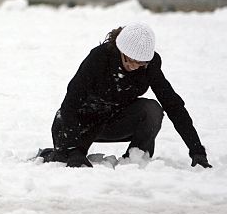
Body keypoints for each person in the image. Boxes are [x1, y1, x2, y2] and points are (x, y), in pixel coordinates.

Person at [40, 22, 211, 168]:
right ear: (120, 50)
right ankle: (52, 154)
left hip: (117, 122)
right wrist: (73, 150)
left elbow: (173, 105)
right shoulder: (99, 58)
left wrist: (196, 150)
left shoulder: (150, 65)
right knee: (64, 161)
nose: (136, 66)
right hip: (80, 123)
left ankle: (136, 158)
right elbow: (70, 104)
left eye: (141, 63)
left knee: (152, 109)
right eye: (131, 61)